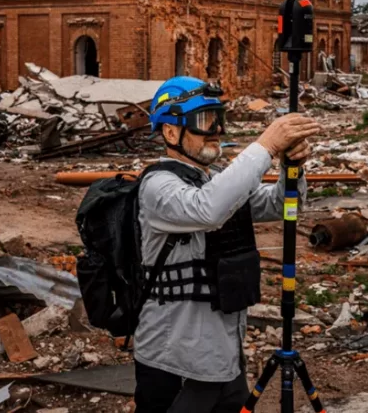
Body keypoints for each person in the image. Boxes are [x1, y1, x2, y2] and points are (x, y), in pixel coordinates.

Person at [133, 76, 321, 413]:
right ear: (171, 132)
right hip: (175, 361)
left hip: (223, 356)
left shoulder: (216, 179)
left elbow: (278, 205)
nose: (216, 129)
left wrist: (290, 168)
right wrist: (266, 145)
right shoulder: (157, 187)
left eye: (219, 118)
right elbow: (208, 209)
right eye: (204, 121)